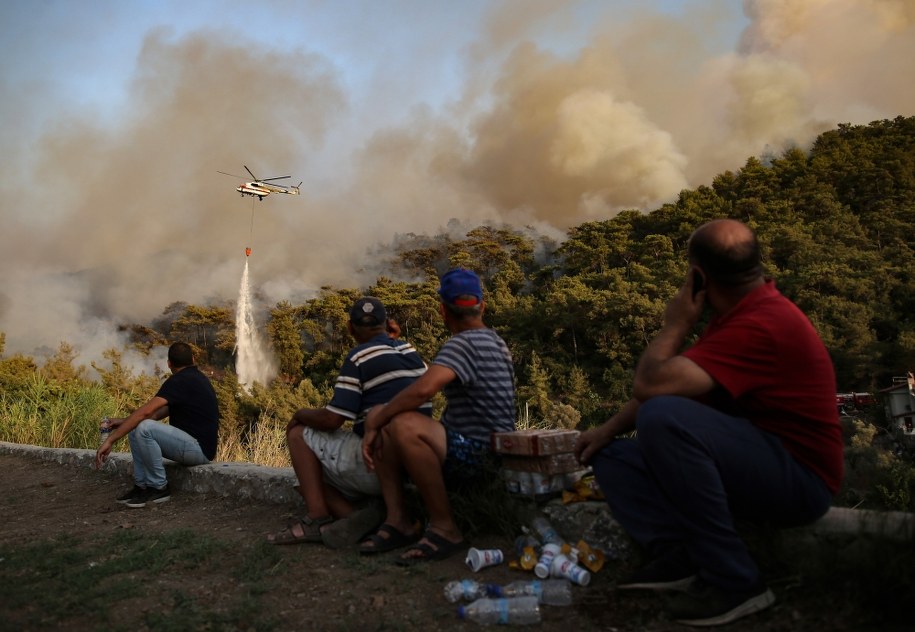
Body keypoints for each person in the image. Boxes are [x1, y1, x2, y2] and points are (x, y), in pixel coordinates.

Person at [575, 219, 843, 627]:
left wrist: (675, 324)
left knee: (661, 418)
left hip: (800, 480)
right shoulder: (740, 315)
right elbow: (671, 388)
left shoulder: (760, 324)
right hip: (757, 463)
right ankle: (680, 554)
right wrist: (604, 431)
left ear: (698, 275)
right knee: (612, 456)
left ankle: (737, 581)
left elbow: (650, 385)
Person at [361, 268, 516, 563]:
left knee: (402, 424)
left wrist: (375, 418)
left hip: (480, 454)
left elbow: (423, 390)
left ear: (442, 311)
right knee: (389, 426)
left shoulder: (463, 343)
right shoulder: (494, 340)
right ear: (482, 305)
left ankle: (445, 528)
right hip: (487, 449)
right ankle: (398, 522)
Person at [267, 297, 431, 548]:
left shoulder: (358, 358)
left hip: (378, 463)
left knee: (299, 437)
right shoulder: (409, 351)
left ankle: (317, 519)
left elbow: (333, 419)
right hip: (416, 464)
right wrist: (393, 338)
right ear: (387, 324)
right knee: (307, 473)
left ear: (350, 327)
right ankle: (361, 517)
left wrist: (299, 413)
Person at [96, 341, 220, 508]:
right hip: (192, 446)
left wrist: (110, 440)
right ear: (193, 358)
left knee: (144, 427)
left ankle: (159, 487)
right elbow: (156, 414)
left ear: (169, 364)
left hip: (199, 451)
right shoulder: (196, 379)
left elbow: (146, 412)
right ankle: (142, 486)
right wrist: (122, 422)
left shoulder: (179, 381)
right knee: (136, 428)